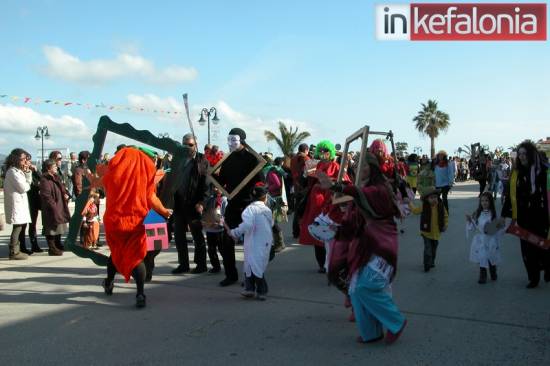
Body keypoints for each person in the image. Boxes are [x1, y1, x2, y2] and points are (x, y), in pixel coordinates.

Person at [320, 152, 407, 344]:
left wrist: (335, 186)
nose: (360, 168)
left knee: (366, 287)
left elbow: (365, 199)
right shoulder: (363, 188)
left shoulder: (380, 188)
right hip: (362, 245)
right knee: (356, 291)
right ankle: (371, 332)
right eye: (358, 164)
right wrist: (340, 229)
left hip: (380, 244)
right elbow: (353, 217)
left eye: (364, 164)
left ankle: (396, 322)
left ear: (373, 167)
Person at [93, 146, 172, 308]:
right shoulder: (144, 176)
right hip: (137, 222)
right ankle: (140, 293)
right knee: (136, 257)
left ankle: (108, 282)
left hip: (115, 223)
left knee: (117, 253)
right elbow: (152, 199)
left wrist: (95, 173)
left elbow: (98, 181)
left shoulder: (112, 175)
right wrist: (164, 211)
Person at [215, 128, 264, 286]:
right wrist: (208, 175)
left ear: (242, 140)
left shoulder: (253, 159)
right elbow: (221, 181)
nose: (231, 143)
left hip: (249, 204)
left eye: (234, 139)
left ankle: (252, 277)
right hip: (233, 204)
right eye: (229, 139)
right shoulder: (228, 159)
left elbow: (261, 182)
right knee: (226, 241)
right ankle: (231, 275)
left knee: (251, 244)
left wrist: (257, 196)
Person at [501, 141, 549, 288]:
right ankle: (533, 277)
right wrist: (504, 215)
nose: (521, 157)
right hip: (523, 217)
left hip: (540, 216)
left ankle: (547, 267)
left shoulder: (542, 172)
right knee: (527, 250)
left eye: (524, 153)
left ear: (530, 154)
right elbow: (510, 195)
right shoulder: (516, 173)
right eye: (519, 154)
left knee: (541, 246)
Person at [299, 140, 350, 272]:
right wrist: (306, 175)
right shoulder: (315, 164)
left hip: (331, 201)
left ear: (331, 152)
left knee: (331, 233)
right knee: (317, 232)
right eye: (320, 151)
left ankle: (333, 263)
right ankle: (322, 264)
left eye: (325, 151)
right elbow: (305, 180)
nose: (323, 153)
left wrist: (332, 183)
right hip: (316, 202)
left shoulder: (337, 166)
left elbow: (347, 183)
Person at [226, 184, 273, 300]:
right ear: (265, 197)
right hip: (265, 240)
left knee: (253, 264)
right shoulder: (267, 210)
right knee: (253, 264)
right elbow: (271, 224)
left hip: (254, 241)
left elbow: (247, 224)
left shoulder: (250, 210)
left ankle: (261, 290)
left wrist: (235, 232)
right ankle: (249, 288)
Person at [171, 133, 209, 275]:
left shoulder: (201, 160)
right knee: (179, 236)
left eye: (190, 145)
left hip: (194, 204)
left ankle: (201, 264)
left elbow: (206, 184)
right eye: (184, 144)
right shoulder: (178, 159)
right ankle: (183, 264)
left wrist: (201, 202)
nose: (187, 147)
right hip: (178, 203)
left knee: (197, 235)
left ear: (196, 145)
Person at [466, 192, 505, 284]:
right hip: (480, 240)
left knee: (491, 256)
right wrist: (469, 221)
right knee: (482, 257)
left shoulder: (493, 215)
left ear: (490, 202)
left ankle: (493, 271)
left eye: (486, 200)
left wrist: (499, 225)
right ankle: (482, 275)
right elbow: (473, 226)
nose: (484, 203)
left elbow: (498, 228)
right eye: (482, 201)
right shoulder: (477, 213)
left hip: (491, 240)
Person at [2, 149, 34, 260]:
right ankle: (14, 251)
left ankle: (16, 250)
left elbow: (27, 184)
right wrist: (27, 177)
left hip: (19, 203)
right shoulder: (12, 172)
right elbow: (24, 187)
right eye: (23, 159)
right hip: (16, 204)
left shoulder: (17, 171)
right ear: (16, 159)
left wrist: (28, 172)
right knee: (18, 227)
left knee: (19, 226)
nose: (25, 161)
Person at [410, 187, 448, 272]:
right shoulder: (424, 206)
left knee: (434, 249)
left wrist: (445, 225)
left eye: (435, 197)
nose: (433, 199)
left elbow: (445, 216)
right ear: (427, 199)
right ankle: (426, 264)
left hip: (436, 233)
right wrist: (409, 203)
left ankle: (432, 261)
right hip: (426, 232)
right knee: (428, 249)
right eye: (431, 198)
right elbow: (415, 211)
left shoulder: (441, 206)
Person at [40, 158, 70, 256]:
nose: (56, 167)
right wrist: (54, 206)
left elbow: (61, 187)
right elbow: (46, 195)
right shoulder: (45, 179)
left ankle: (57, 244)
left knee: (59, 226)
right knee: (51, 228)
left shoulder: (55, 176)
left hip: (59, 204)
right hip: (52, 207)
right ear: (49, 168)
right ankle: (52, 248)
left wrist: (65, 194)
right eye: (54, 166)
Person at [201, 185, 227, 273]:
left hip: (220, 229)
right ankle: (216, 267)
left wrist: (220, 223)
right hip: (210, 229)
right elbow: (205, 211)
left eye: (217, 187)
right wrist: (204, 221)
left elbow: (225, 214)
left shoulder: (224, 200)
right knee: (211, 250)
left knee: (222, 249)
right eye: (214, 187)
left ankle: (228, 265)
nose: (215, 189)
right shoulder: (210, 199)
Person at [290, 143, 310, 238]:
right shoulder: (306, 159)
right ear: (306, 150)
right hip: (304, 189)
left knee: (297, 210)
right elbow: (308, 174)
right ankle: (304, 232)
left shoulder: (293, 159)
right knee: (305, 211)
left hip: (296, 188)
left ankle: (295, 232)